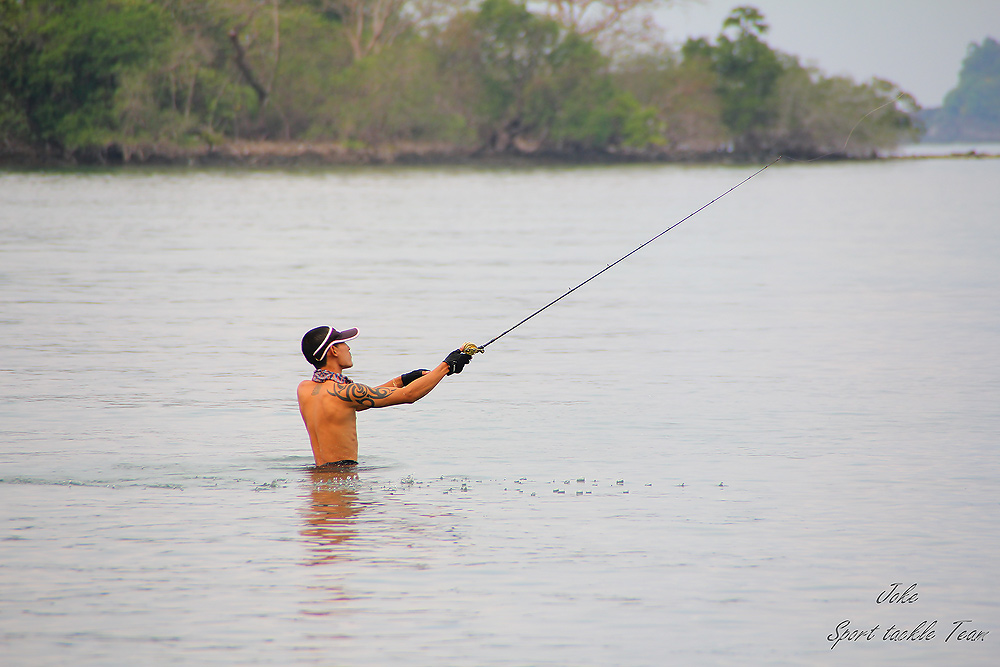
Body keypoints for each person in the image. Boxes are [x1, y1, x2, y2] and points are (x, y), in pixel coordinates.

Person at [297, 325, 473, 468]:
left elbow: (361, 399)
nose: (349, 347)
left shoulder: (305, 389)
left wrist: (404, 379)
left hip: (319, 477)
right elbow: (409, 395)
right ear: (334, 350)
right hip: (343, 478)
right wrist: (447, 366)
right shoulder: (345, 392)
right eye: (344, 343)